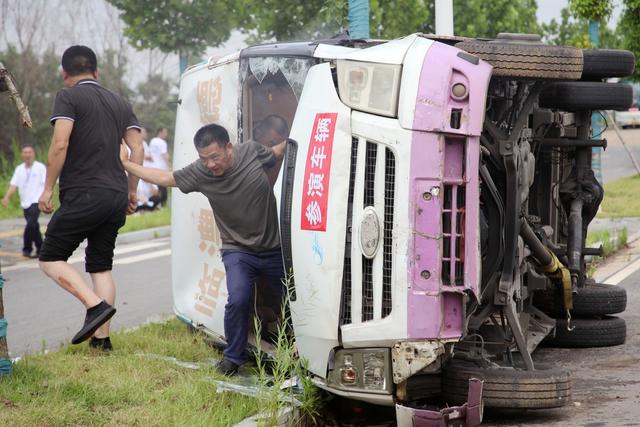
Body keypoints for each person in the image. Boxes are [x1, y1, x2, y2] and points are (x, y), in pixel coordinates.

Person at [120, 123, 286, 375]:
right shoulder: (201, 172)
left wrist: (302, 133)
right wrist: (127, 165)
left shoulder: (251, 151)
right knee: (238, 298)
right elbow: (166, 178)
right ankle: (233, 357)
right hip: (238, 249)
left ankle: (299, 349)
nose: (210, 164)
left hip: (273, 246)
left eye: (215, 157)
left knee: (290, 298)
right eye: (203, 159)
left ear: (229, 148)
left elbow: (277, 152)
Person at [37, 45, 144, 352]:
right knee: (100, 266)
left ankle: (94, 306)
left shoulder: (68, 96)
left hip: (84, 192)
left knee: (49, 258)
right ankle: (102, 341)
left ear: (65, 74)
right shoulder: (120, 102)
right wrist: (132, 190)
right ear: (97, 72)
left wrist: (47, 188)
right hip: (114, 195)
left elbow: (60, 144)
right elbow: (137, 149)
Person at [1, 145, 46, 258]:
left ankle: (27, 249)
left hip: (37, 201)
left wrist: (47, 197)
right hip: (25, 202)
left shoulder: (40, 167)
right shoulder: (19, 169)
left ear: (33, 154)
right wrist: (6, 198)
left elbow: (47, 183)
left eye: (29, 152)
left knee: (30, 224)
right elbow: (13, 185)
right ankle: (41, 249)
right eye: (25, 152)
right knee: (34, 226)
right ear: (22, 155)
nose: (27, 155)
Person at [253, 115, 289, 186]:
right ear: (257, 134)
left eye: (281, 149)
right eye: (271, 144)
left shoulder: (278, 162)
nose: (277, 152)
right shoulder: (244, 159)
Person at [148, 127, 170, 206]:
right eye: (165, 132)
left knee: (156, 186)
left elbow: (150, 154)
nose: (166, 134)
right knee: (163, 186)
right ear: (160, 132)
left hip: (153, 166)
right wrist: (168, 166)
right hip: (161, 167)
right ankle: (163, 203)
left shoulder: (152, 141)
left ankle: (156, 203)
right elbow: (164, 154)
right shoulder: (162, 142)